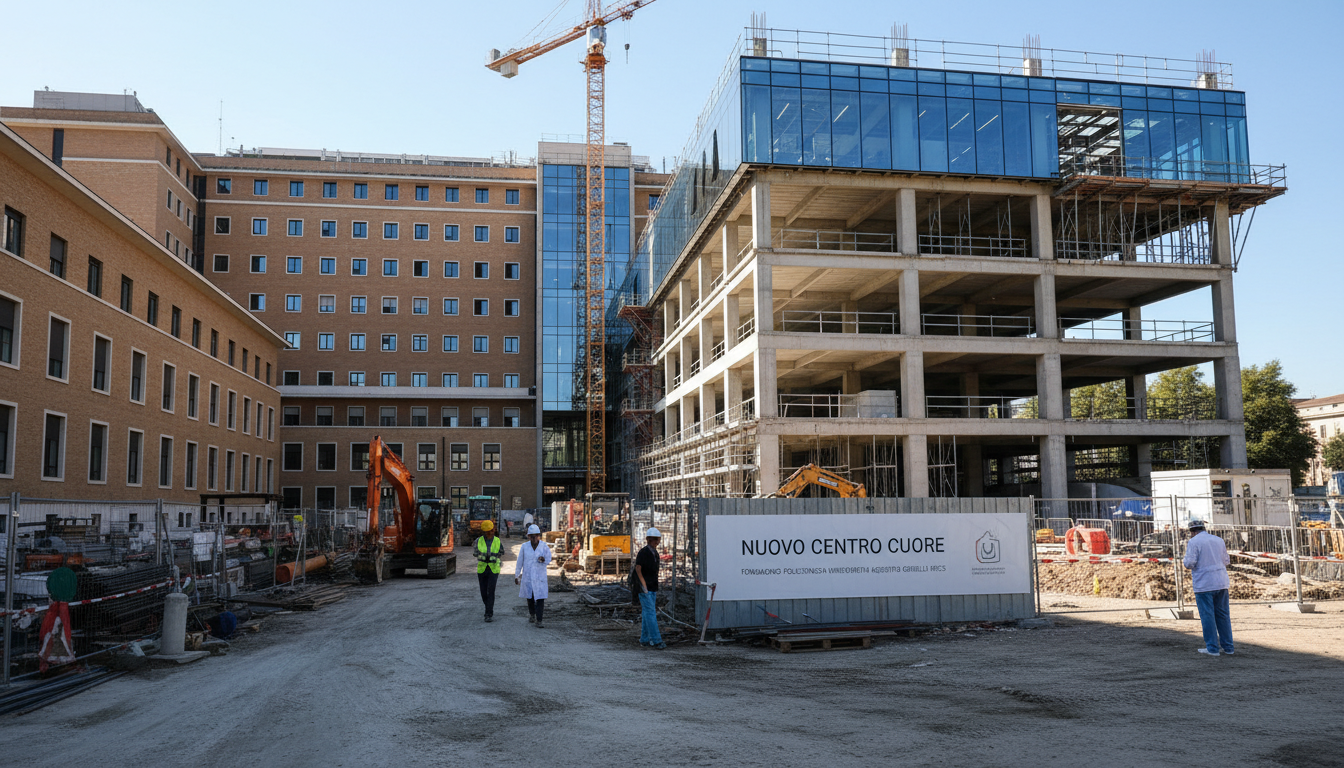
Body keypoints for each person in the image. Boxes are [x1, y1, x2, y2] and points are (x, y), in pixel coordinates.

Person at [1183, 519, 1234, 656]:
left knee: (1207, 616)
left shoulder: (1194, 542)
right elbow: (1226, 561)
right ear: (1203, 528)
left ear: (1192, 531)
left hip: (1204, 584)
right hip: (1221, 582)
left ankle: (1212, 648)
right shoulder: (1218, 540)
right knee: (1223, 615)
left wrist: (1184, 560)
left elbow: (1189, 563)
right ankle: (1228, 647)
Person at [634, 528, 666, 650]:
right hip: (645, 588)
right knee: (651, 613)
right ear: (649, 540)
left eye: (657, 540)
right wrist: (644, 586)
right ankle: (657, 640)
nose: (656, 542)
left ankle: (645, 639)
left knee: (647, 613)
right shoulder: (644, 553)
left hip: (651, 587)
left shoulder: (654, 553)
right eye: (654, 540)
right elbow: (638, 569)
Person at [515, 524, 552, 627]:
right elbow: (520, 561)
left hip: (540, 577)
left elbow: (549, 558)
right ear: (529, 536)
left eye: (536, 536)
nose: (534, 538)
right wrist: (517, 575)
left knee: (540, 598)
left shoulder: (544, 546)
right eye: (532, 536)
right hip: (528, 576)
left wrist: (544, 560)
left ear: (538, 536)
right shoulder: (524, 547)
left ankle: (539, 620)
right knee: (530, 596)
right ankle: (532, 614)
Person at [474, 520, 503, 622]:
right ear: (484, 532)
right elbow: (475, 553)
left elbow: (501, 552)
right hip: (482, 568)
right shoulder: (478, 541)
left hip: (493, 569)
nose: (489, 533)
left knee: (491, 591)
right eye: (487, 531)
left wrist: (493, 557)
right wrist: (483, 556)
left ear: (493, 530)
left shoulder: (497, 541)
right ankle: (488, 606)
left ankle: (488, 613)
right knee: (483, 592)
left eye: (491, 530)